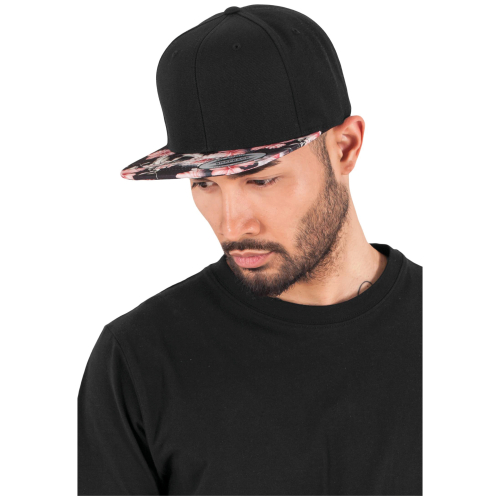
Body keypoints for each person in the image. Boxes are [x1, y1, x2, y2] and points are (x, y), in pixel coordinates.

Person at [78, 4, 422, 495]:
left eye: (260, 180)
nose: (231, 225)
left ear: (345, 147)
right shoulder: (138, 360)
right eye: (204, 184)